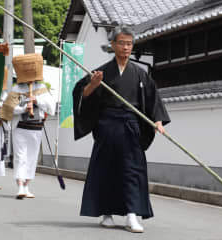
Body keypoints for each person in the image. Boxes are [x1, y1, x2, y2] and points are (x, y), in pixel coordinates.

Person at [73, 25, 170, 233]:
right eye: (122, 43)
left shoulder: (140, 74)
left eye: (129, 43)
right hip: (107, 126)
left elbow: (153, 100)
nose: (126, 47)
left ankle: (132, 215)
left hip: (131, 126)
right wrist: (93, 85)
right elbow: (82, 94)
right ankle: (106, 213)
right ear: (113, 45)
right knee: (106, 169)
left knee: (132, 170)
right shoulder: (102, 72)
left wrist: (158, 121)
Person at [1, 53, 56, 199]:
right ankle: (19, 186)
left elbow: (51, 107)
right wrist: (23, 109)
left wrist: (36, 100)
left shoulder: (41, 87)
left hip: (36, 127)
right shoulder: (17, 89)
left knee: (32, 157)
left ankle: (27, 186)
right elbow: (8, 109)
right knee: (20, 157)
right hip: (21, 127)